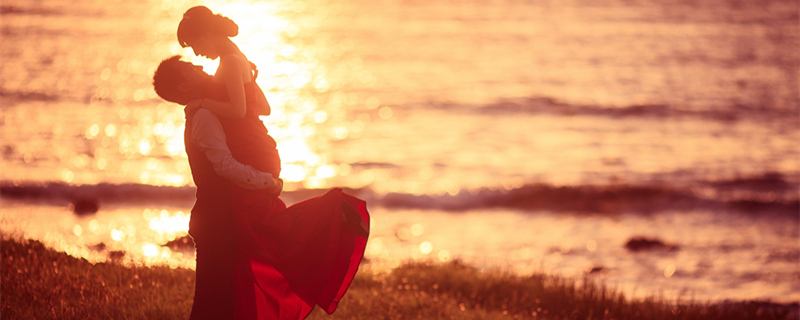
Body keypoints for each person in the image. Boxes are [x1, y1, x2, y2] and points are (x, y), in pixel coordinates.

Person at [154, 53, 368, 320]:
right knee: (212, 304)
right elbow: (225, 165)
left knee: (222, 302)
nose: (199, 66)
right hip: (217, 223)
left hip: (221, 220)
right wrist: (268, 182)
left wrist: (248, 78)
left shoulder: (210, 107)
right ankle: (337, 214)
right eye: (190, 68)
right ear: (183, 87)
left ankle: (338, 216)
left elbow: (260, 108)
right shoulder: (204, 116)